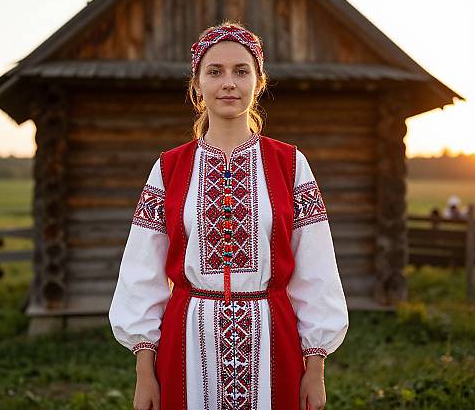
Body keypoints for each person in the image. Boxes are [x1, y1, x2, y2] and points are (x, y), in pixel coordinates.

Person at [108, 21, 349, 410]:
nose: (228, 83)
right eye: (215, 71)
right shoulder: (170, 168)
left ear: (258, 80)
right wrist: (144, 371)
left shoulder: (289, 164)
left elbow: (316, 267)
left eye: (241, 71)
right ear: (197, 84)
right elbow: (142, 272)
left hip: (274, 343)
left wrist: (315, 366)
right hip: (187, 344)